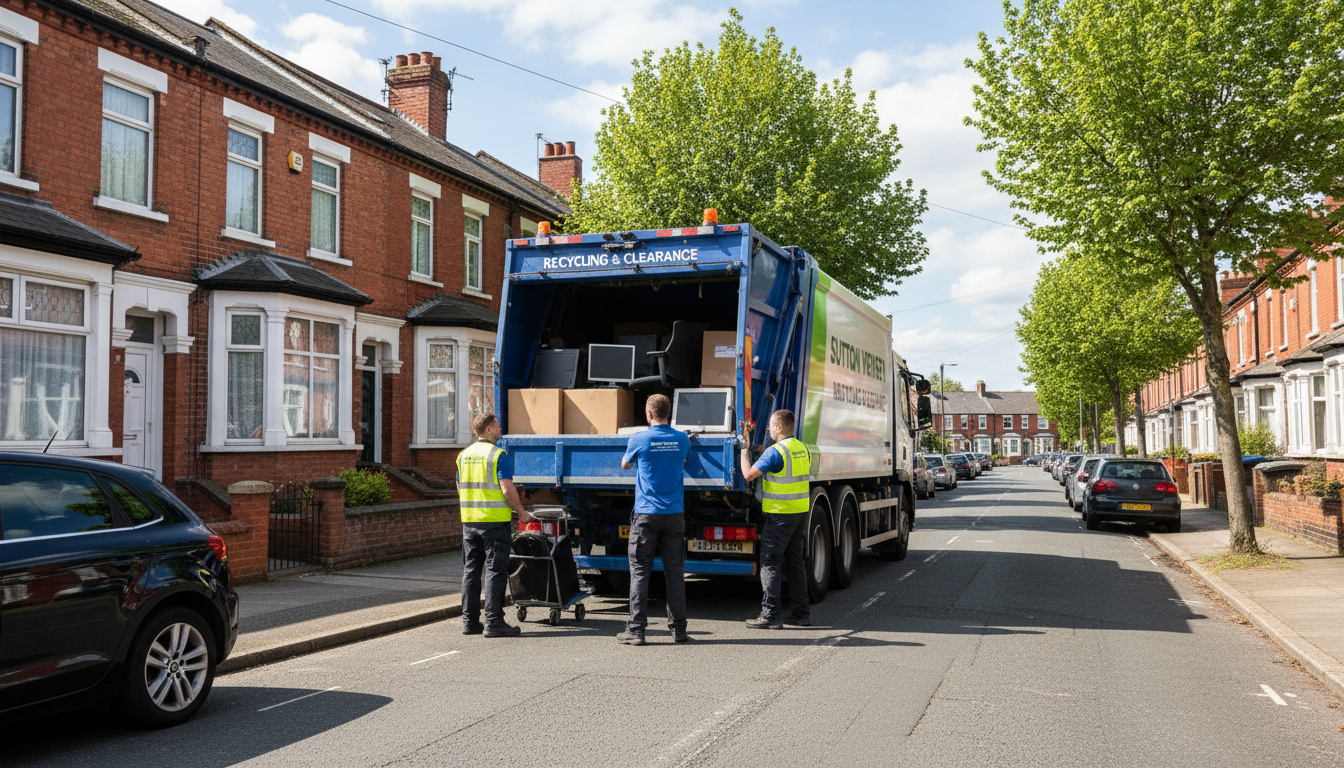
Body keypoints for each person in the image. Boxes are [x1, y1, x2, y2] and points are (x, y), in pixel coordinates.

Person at [617, 393, 692, 646]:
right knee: (675, 573)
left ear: (648, 414)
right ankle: (679, 630)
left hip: (646, 515)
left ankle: (637, 630)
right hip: (674, 515)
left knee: (639, 572)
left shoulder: (639, 438)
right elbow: (685, 459)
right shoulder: (682, 439)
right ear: (668, 413)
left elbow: (626, 465)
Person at [456, 412, 534, 637]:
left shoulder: (463, 455)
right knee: (495, 570)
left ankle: (470, 622)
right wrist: (522, 513)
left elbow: (460, 488)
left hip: (469, 522)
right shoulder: (498, 455)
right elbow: (507, 488)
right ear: (488, 429)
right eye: (497, 426)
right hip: (494, 523)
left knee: (471, 570)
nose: (500, 429)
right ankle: (493, 622)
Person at [739, 409, 812, 629]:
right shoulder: (802, 448)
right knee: (795, 563)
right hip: (799, 513)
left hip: (779, 515)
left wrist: (744, 451)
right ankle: (801, 614)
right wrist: (764, 452)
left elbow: (748, 475)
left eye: (771, 425)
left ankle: (770, 615)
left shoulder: (774, 452)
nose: (768, 428)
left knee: (770, 564)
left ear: (779, 428)